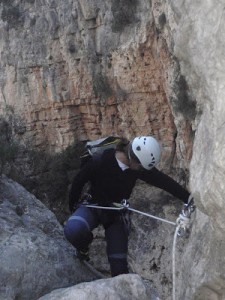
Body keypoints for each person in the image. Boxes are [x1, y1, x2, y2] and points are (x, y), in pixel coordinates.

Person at [64, 136, 191, 276]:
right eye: (141, 167)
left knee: (119, 270)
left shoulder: (136, 167)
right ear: (133, 159)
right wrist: (73, 209)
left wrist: (188, 198)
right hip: (94, 205)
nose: (142, 170)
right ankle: (83, 249)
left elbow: (164, 182)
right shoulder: (100, 161)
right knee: (74, 229)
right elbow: (78, 182)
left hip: (116, 215)